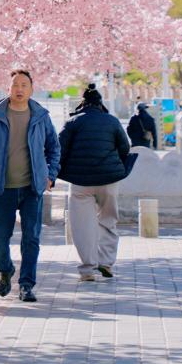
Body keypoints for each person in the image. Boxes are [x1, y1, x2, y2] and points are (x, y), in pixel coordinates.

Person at [0, 69, 60, 303]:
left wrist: (50, 175)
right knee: (0, 238)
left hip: (33, 188)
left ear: (31, 89)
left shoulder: (41, 116)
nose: (19, 89)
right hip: (3, 188)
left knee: (31, 237)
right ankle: (5, 270)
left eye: (24, 85)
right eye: (15, 85)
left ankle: (26, 285)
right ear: (8, 89)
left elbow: (54, 147)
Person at [57, 85, 132, 282]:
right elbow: (125, 148)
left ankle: (87, 269)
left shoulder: (72, 122)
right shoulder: (112, 121)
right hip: (109, 180)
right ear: (101, 104)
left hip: (80, 181)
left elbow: (59, 150)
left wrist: (55, 174)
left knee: (82, 226)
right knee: (108, 220)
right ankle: (106, 262)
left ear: (82, 103)